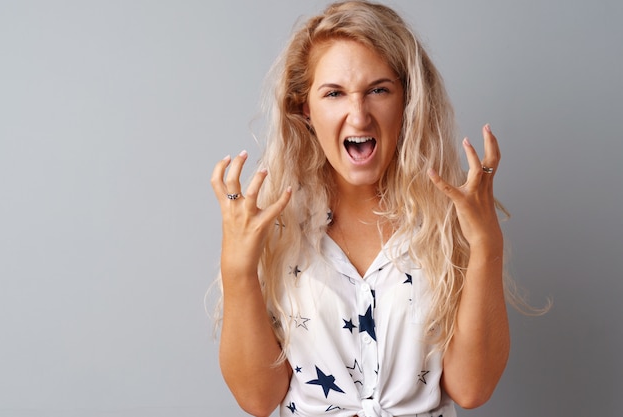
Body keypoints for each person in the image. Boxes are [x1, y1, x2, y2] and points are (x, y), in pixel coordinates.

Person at [210, 1, 511, 416]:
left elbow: (472, 389)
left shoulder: (447, 223)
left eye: (378, 90)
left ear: (407, 102)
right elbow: (257, 399)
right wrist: (237, 268)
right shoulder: (273, 228)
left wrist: (486, 245)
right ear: (306, 110)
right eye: (334, 93)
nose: (358, 115)